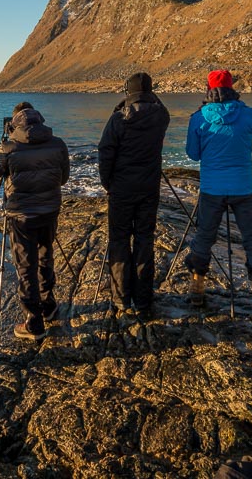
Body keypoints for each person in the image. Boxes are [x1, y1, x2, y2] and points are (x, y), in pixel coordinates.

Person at [184, 69, 252, 321]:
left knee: (204, 235)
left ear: (208, 89)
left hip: (212, 188)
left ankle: (197, 288)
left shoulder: (199, 118)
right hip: (243, 188)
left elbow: (193, 153)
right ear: (232, 87)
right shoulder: (247, 114)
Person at [0, 102, 70, 341]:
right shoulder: (58, 144)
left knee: (25, 265)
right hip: (50, 210)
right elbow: (63, 178)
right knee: (45, 255)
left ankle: (34, 321)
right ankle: (49, 304)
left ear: (15, 123)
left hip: (21, 215)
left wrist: (3, 143)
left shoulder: (9, 148)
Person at [97, 72, 170, 318]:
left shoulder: (119, 119)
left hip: (121, 188)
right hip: (149, 188)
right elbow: (159, 105)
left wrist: (108, 183)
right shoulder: (161, 116)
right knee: (144, 240)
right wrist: (145, 95)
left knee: (119, 240)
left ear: (128, 90)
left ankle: (121, 299)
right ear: (149, 91)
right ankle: (143, 299)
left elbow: (105, 152)